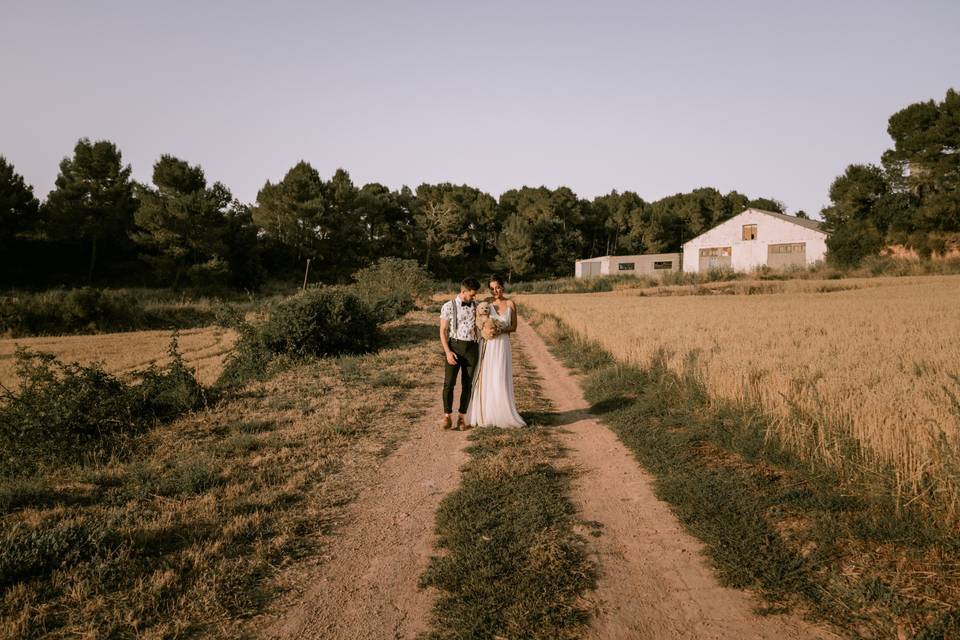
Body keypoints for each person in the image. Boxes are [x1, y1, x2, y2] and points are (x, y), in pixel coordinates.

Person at [465, 275, 526, 428]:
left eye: (497, 287)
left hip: (503, 344)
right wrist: (484, 331)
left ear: (503, 287)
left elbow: (514, 327)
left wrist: (499, 330)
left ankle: (502, 412)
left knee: (500, 376)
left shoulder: (511, 303)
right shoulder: (487, 303)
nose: (495, 291)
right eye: (492, 289)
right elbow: (478, 322)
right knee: (487, 376)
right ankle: (486, 413)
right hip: (488, 344)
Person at [439, 277, 481, 430]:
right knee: (449, 383)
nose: (474, 297)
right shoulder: (448, 306)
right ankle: (447, 417)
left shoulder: (477, 306)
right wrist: (448, 351)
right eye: (472, 295)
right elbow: (442, 331)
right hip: (454, 346)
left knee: (467, 384)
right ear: (463, 292)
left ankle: (462, 418)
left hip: (472, 348)